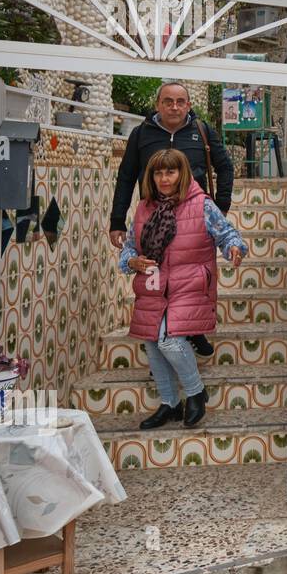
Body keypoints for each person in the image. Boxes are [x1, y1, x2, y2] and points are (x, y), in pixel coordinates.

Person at [120, 149, 247, 430]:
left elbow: (226, 234)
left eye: (171, 171)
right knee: (153, 342)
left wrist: (234, 249)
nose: (164, 178)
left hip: (189, 284)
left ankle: (195, 391)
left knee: (168, 340)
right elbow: (130, 245)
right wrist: (131, 260)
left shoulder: (201, 204)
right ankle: (169, 403)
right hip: (153, 283)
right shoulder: (144, 208)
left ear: (182, 173)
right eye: (158, 172)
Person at [109, 81, 234, 357]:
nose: (174, 107)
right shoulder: (142, 134)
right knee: (158, 280)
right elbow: (126, 176)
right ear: (158, 105)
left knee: (192, 279)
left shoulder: (201, 131)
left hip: (194, 222)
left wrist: (220, 206)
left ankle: (194, 328)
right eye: (168, 101)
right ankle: (161, 338)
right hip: (155, 222)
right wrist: (117, 220)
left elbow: (225, 166)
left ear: (188, 105)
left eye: (180, 101)